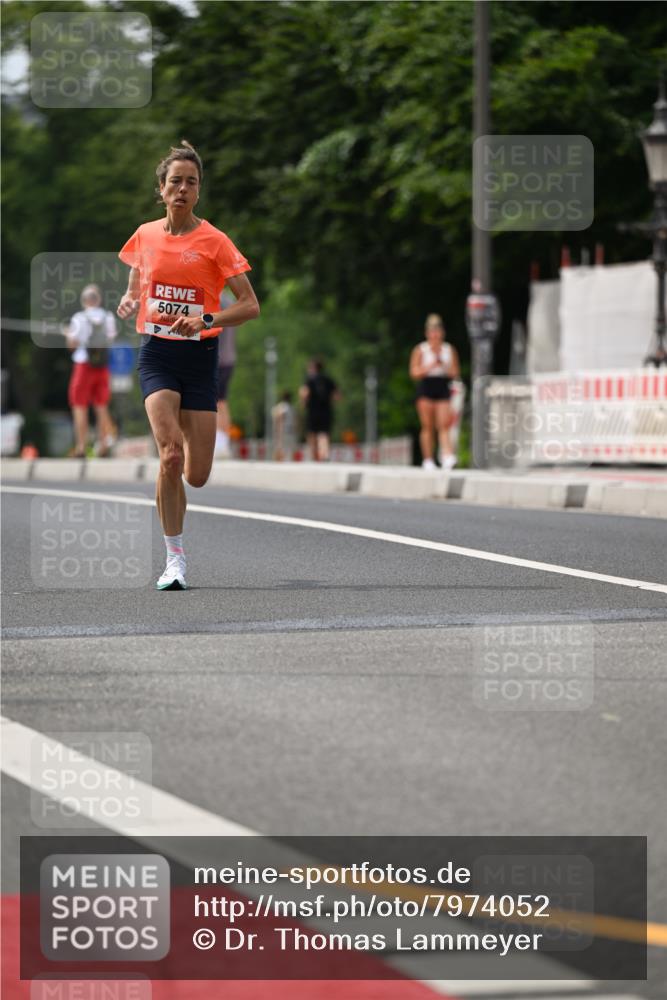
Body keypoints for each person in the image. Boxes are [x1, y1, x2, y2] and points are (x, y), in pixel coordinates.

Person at [117, 141, 260, 590]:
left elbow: (250, 305)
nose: (182, 189)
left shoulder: (215, 241)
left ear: (199, 193)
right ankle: (174, 559)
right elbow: (138, 275)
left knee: (195, 475)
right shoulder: (145, 234)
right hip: (157, 354)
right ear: (161, 190)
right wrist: (130, 297)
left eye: (190, 182)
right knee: (169, 455)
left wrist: (206, 318)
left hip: (201, 360)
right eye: (174, 181)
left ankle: (172, 494)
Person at [66, 284, 117, 458]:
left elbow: (72, 344)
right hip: (102, 366)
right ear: (99, 300)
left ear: (84, 301)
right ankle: (103, 446)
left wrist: (67, 335)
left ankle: (81, 447)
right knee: (101, 405)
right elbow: (111, 338)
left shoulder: (79, 318)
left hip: (83, 365)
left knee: (79, 405)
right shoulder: (108, 317)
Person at [409, 313, 461, 470]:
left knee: (443, 424)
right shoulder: (421, 350)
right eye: (432, 331)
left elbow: (454, 372)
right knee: (427, 426)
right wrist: (430, 365)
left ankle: (447, 455)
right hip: (426, 386)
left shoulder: (448, 350)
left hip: (442, 385)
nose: (435, 335)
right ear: (427, 333)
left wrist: (443, 365)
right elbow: (414, 372)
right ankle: (428, 459)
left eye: (438, 331)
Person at [299, 358, 339, 461]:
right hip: (326, 411)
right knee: (324, 434)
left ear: (313, 368)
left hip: (313, 411)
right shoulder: (328, 379)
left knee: (312, 433)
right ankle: (324, 454)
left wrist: (303, 403)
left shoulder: (309, 380)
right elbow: (337, 396)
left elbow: (304, 393)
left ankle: (313, 456)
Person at [215, 290, 237, 458]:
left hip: (218, 358)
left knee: (217, 402)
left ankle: (221, 442)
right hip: (229, 358)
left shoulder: (218, 300)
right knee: (222, 400)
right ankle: (223, 441)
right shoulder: (230, 300)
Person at [271, 390, 296, 461]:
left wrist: (278, 431)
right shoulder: (290, 408)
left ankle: (278, 462)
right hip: (289, 431)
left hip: (284, 431)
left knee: (280, 448)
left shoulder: (281, 407)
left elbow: (279, 420)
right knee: (287, 450)